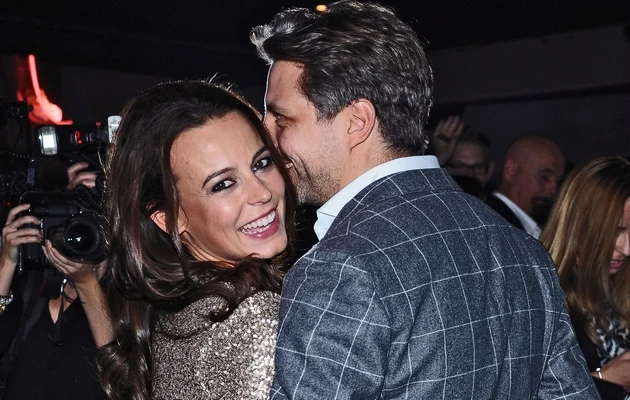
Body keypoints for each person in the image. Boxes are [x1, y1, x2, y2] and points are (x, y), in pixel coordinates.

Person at [251, 1, 598, 398]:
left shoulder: (340, 268)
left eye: (281, 117)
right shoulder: (523, 253)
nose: (265, 136)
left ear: (356, 122)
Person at [97, 80, 297, 400]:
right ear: (167, 217)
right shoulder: (254, 318)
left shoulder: (172, 316)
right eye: (223, 184)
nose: (262, 193)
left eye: (261, 163)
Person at [540, 156, 630, 400]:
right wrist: (606, 381)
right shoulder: (540, 297)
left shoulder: (621, 285)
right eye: (615, 232)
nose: (626, 248)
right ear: (579, 225)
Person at [0, 206, 111, 398]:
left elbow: (121, 371)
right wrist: (7, 261)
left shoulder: (128, 297)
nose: (77, 237)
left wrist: (85, 282)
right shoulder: (31, 283)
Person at [486, 134, 565, 238]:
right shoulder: (493, 226)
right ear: (511, 171)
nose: (553, 189)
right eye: (544, 177)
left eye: (558, 181)